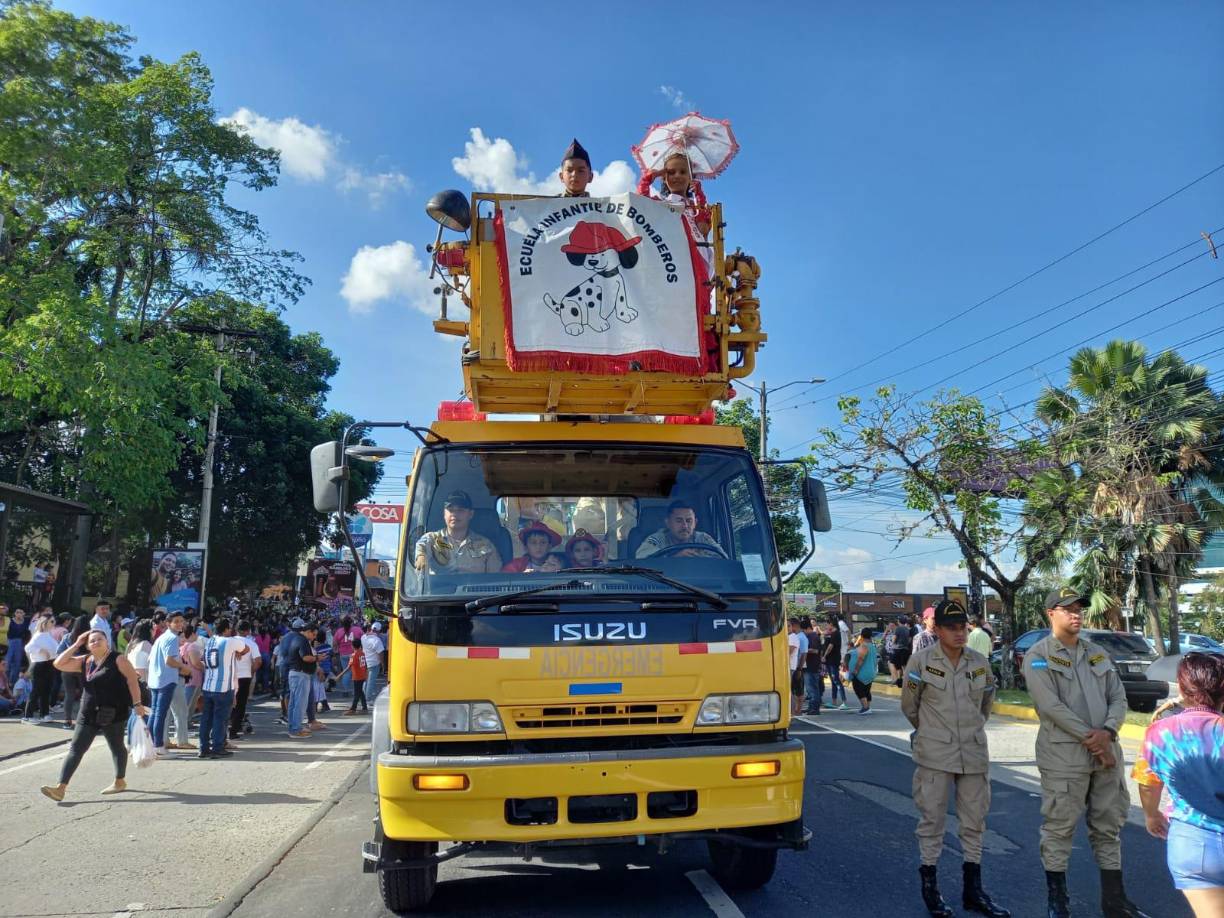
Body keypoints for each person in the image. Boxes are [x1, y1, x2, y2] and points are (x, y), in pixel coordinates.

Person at [1022, 586, 1150, 918]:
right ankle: (1058, 903)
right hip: (1065, 758)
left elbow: (1118, 698)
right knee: (1059, 828)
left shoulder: (1097, 653)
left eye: (1079, 608)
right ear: (1051, 614)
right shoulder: (1038, 656)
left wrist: (1108, 731)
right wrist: (1092, 738)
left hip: (1106, 754)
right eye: (1068, 609)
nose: (1077, 613)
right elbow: (1050, 706)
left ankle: (1115, 901)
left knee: (1109, 827)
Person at [902, 599, 1009, 918]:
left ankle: (972, 891)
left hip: (973, 753)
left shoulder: (979, 662)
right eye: (952, 627)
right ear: (937, 630)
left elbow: (986, 702)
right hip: (935, 754)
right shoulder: (920, 662)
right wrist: (932, 732)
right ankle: (931, 889)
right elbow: (910, 706)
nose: (960, 633)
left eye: (963, 627)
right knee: (932, 821)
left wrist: (970, 731)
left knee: (975, 822)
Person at [1133, 652, 1224, 917]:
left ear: (1183, 688)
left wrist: (1152, 816)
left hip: (1191, 846)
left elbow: (1148, 783)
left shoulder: (1159, 731)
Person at [40, 630, 147, 801]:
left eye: (99, 639)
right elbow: (59, 664)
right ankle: (61, 788)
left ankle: (119, 781)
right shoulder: (85, 660)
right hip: (88, 712)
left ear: (107, 642)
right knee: (76, 749)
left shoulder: (118, 659)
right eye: (91, 641)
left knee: (116, 747)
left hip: (113, 711)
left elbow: (132, 681)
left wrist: (137, 704)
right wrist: (76, 644)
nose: (95, 642)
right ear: (87, 645)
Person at [414, 491, 503, 575]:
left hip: (474, 590)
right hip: (439, 590)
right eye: (450, 510)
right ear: (444, 514)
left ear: (471, 514)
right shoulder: (432, 539)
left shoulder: (486, 545)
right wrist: (421, 557)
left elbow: (495, 577)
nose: (454, 514)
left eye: (460, 510)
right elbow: (421, 547)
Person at [199, 618, 249, 759]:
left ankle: (203, 748)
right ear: (226, 629)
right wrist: (238, 652)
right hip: (223, 686)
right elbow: (246, 648)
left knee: (206, 719)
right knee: (220, 719)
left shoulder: (210, 641)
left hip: (208, 685)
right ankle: (218, 747)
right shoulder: (230, 641)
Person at [146, 611, 189, 754]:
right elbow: (169, 661)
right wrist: (183, 667)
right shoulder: (172, 638)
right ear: (168, 623)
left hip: (156, 679)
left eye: (181, 621)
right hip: (166, 680)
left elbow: (151, 659)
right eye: (176, 621)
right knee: (160, 714)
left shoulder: (162, 637)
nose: (180, 624)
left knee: (155, 714)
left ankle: (152, 744)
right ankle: (158, 746)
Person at [635, 500, 721, 558]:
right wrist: (673, 558)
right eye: (679, 521)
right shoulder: (658, 539)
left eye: (689, 521)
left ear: (695, 523)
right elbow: (641, 557)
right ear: (668, 523)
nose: (685, 526)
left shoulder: (703, 539)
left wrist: (699, 558)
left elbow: (723, 559)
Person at [168, 623, 201, 751]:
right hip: (187, 680)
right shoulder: (190, 646)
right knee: (182, 710)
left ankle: (176, 734)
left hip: (182, 680)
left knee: (179, 709)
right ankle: (181, 737)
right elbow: (195, 663)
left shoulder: (181, 647)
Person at [284, 619, 317, 739]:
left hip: (295, 674)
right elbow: (306, 657)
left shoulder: (296, 638)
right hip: (300, 675)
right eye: (313, 634)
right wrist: (317, 658)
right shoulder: (302, 641)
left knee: (294, 703)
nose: (314, 637)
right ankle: (296, 729)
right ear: (308, 631)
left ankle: (293, 727)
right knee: (299, 703)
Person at [22, 615, 59, 723]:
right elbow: (27, 648)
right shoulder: (39, 635)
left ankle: (44, 714)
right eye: (52, 621)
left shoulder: (48, 634)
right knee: (36, 691)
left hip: (49, 664)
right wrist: (41, 650)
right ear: (45, 622)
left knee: (46, 691)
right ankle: (27, 716)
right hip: (39, 665)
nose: (54, 623)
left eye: (54, 621)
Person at [229, 620, 261, 741]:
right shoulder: (251, 643)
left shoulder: (229, 642)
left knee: (228, 703)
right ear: (248, 631)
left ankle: (225, 727)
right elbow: (258, 661)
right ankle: (234, 731)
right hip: (244, 677)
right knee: (240, 705)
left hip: (229, 677)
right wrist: (251, 672)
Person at [843, 627, 878, 715]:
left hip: (863, 672)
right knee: (866, 690)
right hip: (871, 671)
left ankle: (865, 708)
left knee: (858, 688)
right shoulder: (873, 646)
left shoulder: (864, 645)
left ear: (862, 636)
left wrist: (855, 670)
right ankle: (867, 707)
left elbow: (861, 658)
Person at [822, 619, 847, 710]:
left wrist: (824, 655)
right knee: (833, 681)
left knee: (836, 680)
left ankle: (844, 701)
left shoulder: (835, 634)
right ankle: (834, 701)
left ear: (831, 624)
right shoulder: (832, 634)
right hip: (830, 660)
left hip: (833, 660)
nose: (826, 626)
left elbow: (830, 647)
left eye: (827, 624)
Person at [801, 618, 824, 715]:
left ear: (806, 628)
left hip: (812, 666)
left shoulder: (813, 636)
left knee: (813, 688)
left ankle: (815, 708)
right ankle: (811, 707)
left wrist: (804, 650)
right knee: (810, 689)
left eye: (802, 630)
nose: (802, 633)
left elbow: (815, 650)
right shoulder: (810, 636)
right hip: (810, 666)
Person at [340, 644, 369, 715]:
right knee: (360, 692)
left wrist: (340, 675)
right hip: (362, 675)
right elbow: (365, 665)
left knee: (357, 693)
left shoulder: (353, 655)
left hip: (357, 676)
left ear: (353, 646)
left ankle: (353, 708)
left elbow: (349, 667)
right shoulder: (362, 653)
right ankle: (364, 707)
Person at [787, 618, 807, 716]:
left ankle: (792, 712)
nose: (786, 628)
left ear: (793, 627)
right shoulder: (789, 637)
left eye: (789, 626)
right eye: (785, 625)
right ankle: (792, 712)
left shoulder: (793, 637)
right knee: (790, 690)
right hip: (788, 666)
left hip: (790, 667)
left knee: (789, 691)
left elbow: (788, 652)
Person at [6, 607, 28, 685]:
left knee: (17, 663)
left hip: (20, 643)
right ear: (14, 613)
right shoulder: (10, 621)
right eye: (17, 612)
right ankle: (4, 682)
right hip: (9, 642)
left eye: (21, 612)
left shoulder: (25, 622)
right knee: (7, 662)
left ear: (24, 614)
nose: (19, 614)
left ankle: (12, 682)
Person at [361, 622, 386, 693]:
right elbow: (381, 654)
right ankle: (367, 698)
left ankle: (363, 697)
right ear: (379, 631)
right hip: (374, 664)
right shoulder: (377, 640)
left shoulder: (363, 637)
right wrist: (383, 665)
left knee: (365, 681)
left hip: (365, 662)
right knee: (370, 682)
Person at [892, 615, 913, 687]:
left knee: (897, 666)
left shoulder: (898, 629)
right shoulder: (907, 629)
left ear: (899, 621)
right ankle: (907, 681)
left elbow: (894, 639)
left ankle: (899, 681)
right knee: (904, 666)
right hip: (906, 649)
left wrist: (893, 643)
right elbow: (909, 639)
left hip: (898, 649)